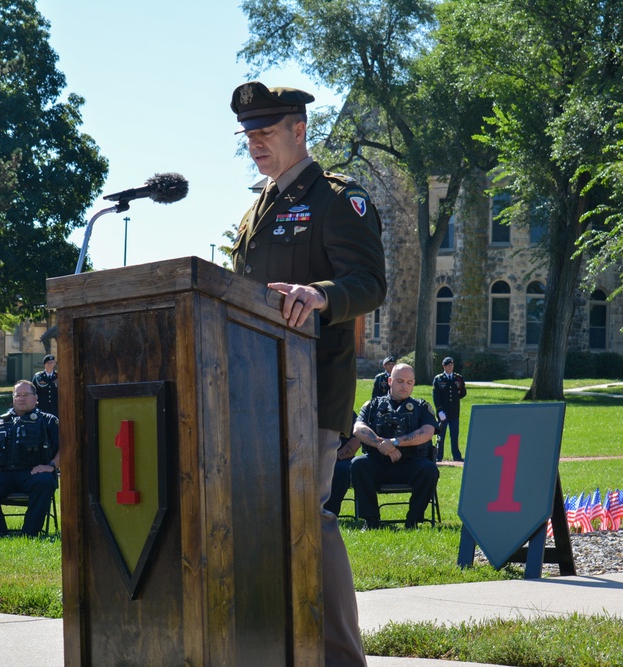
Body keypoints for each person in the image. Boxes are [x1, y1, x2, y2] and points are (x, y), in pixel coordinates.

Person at [230, 80, 386, 667]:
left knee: (307, 516)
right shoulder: (256, 208)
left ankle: (340, 658)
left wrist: (318, 295)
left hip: (310, 390)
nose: (254, 143)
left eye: (265, 132)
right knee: (259, 519)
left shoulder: (336, 200)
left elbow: (370, 284)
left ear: (300, 129)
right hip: (250, 390)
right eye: (247, 134)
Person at [352, 364, 439, 530]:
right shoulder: (372, 405)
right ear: (390, 381)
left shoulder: (422, 407)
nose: (404, 386)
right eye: (400, 381)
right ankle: (371, 521)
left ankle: (413, 521)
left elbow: (427, 432)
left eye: (409, 382)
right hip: (378, 463)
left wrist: (395, 442)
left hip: (411, 464)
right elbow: (358, 429)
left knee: (430, 470)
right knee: (358, 464)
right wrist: (382, 445)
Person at [0, 380, 60, 537]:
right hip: (3, 474)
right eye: (18, 395)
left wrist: (51, 466)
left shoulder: (49, 421)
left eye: (26, 395)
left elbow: (65, 449)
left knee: (46, 481)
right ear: (13, 398)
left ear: (36, 398)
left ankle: (30, 533)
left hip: (33, 474)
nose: (21, 398)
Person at [323, 412, 361, 517]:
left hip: (341, 458)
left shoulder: (345, 412)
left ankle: (329, 514)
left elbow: (356, 439)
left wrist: (335, 457)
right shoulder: (306, 411)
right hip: (311, 458)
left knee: (343, 470)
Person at [432, 356, 467, 462]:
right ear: (444, 366)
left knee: (455, 435)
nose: (450, 367)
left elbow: (462, 392)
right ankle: (439, 456)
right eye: (448, 365)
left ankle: (456, 456)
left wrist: (455, 400)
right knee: (441, 435)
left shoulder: (458, 378)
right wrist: (439, 410)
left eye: (452, 365)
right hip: (443, 411)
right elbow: (436, 396)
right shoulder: (439, 379)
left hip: (454, 411)